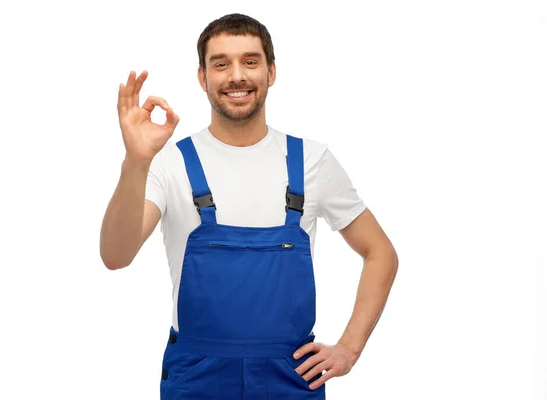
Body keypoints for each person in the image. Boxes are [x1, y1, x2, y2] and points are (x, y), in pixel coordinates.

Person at [100, 13, 398, 399]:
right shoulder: (169, 162)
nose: (236, 75)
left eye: (250, 61)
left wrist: (349, 348)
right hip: (196, 376)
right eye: (220, 63)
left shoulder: (312, 160)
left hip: (292, 375)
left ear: (271, 72)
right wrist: (136, 161)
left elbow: (381, 253)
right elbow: (115, 255)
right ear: (202, 77)